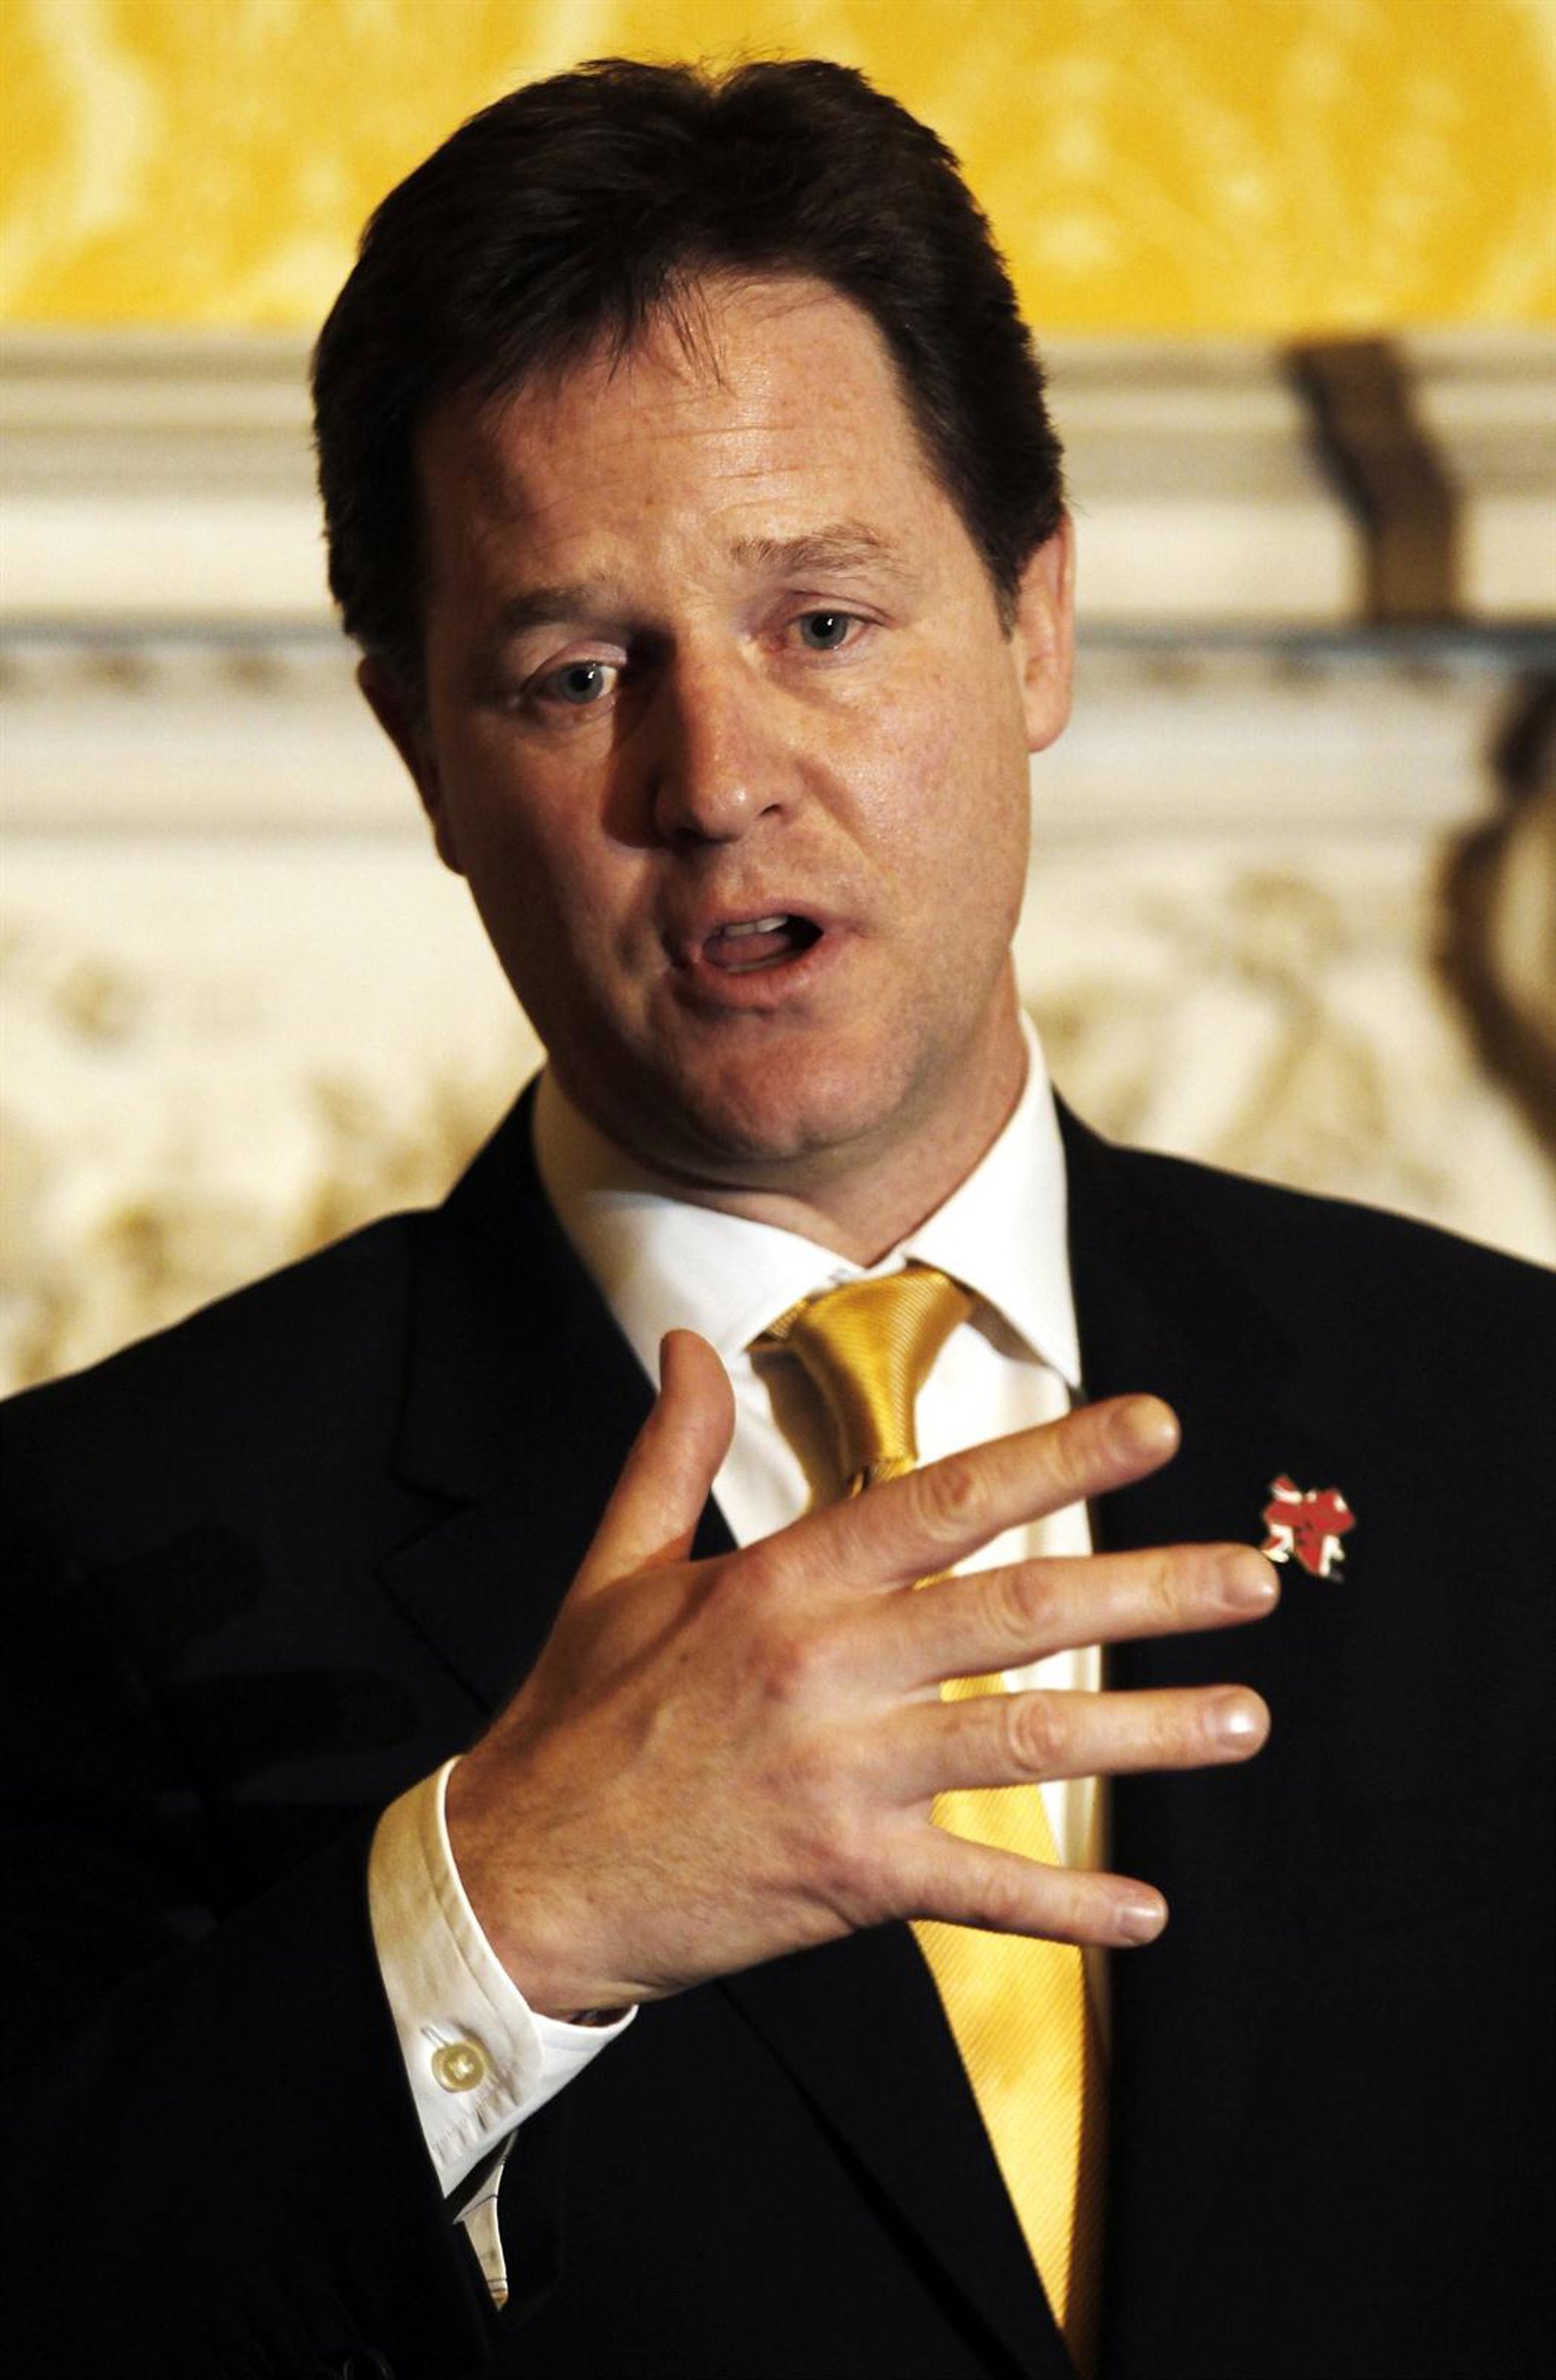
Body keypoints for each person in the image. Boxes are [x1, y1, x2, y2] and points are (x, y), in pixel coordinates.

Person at [2, 56, 1550, 2380]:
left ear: (1035, 623)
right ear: (423, 754)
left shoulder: (1508, 1423)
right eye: (577, 674)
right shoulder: (90, 1547)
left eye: (822, 623)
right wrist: (501, 1909)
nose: (716, 779)